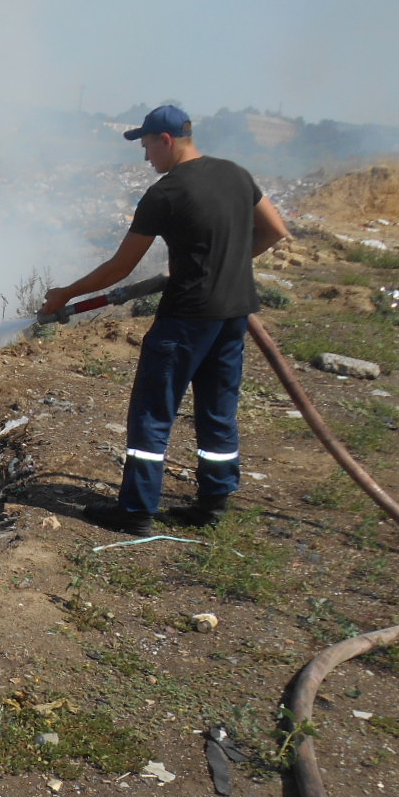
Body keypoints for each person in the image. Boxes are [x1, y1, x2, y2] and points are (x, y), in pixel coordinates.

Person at [40, 105, 291, 533]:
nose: (145, 158)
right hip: (233, 314)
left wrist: (65, 294)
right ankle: (212, 503)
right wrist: (227, 265)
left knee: (153, 413)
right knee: (217, 408)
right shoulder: (235, 174)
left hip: (187, 317)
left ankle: (136, 511)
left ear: (166, 140)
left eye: (146, 146)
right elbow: (274, 229)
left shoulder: (166, 193)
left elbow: (120, 267)